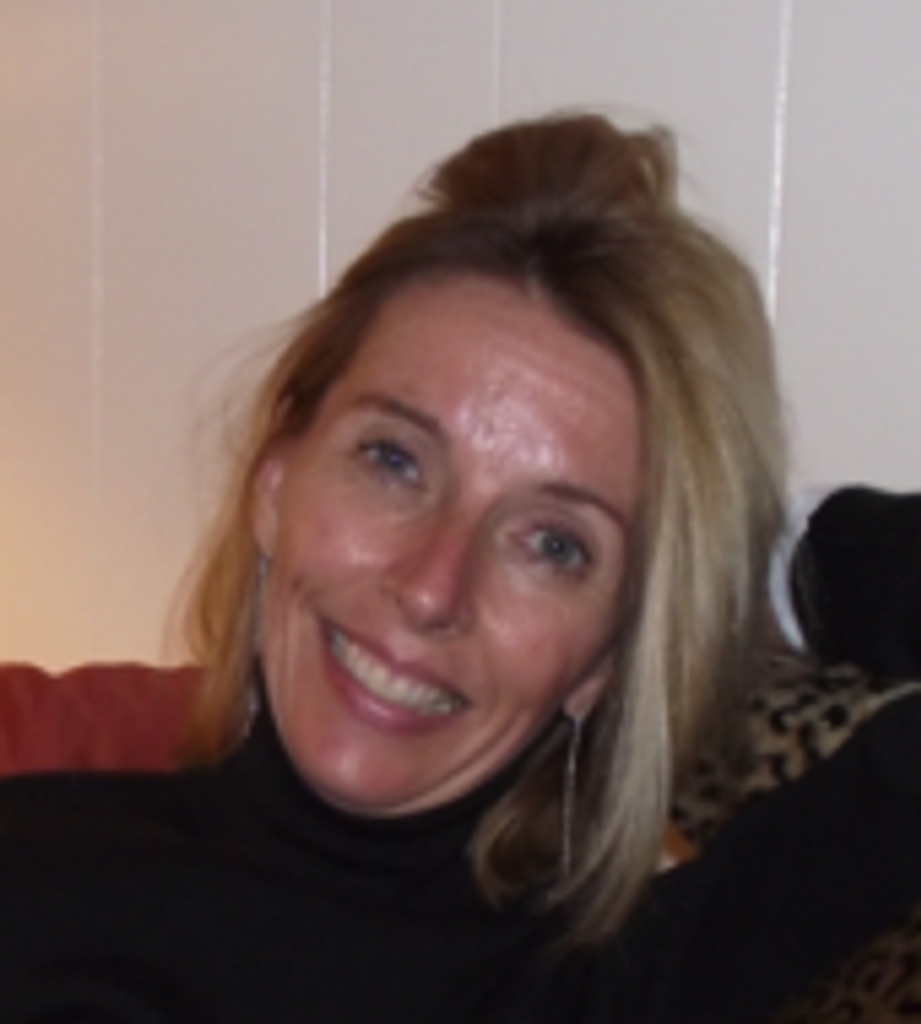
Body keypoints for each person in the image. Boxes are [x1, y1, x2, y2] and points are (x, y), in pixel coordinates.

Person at [0, 112, 919, 1023]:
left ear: (605, 660)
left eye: (553, 544)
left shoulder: (623, 984)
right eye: (393, 460)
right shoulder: (36, 860)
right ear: (275, 483)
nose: (431, 587)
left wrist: (764, 562)